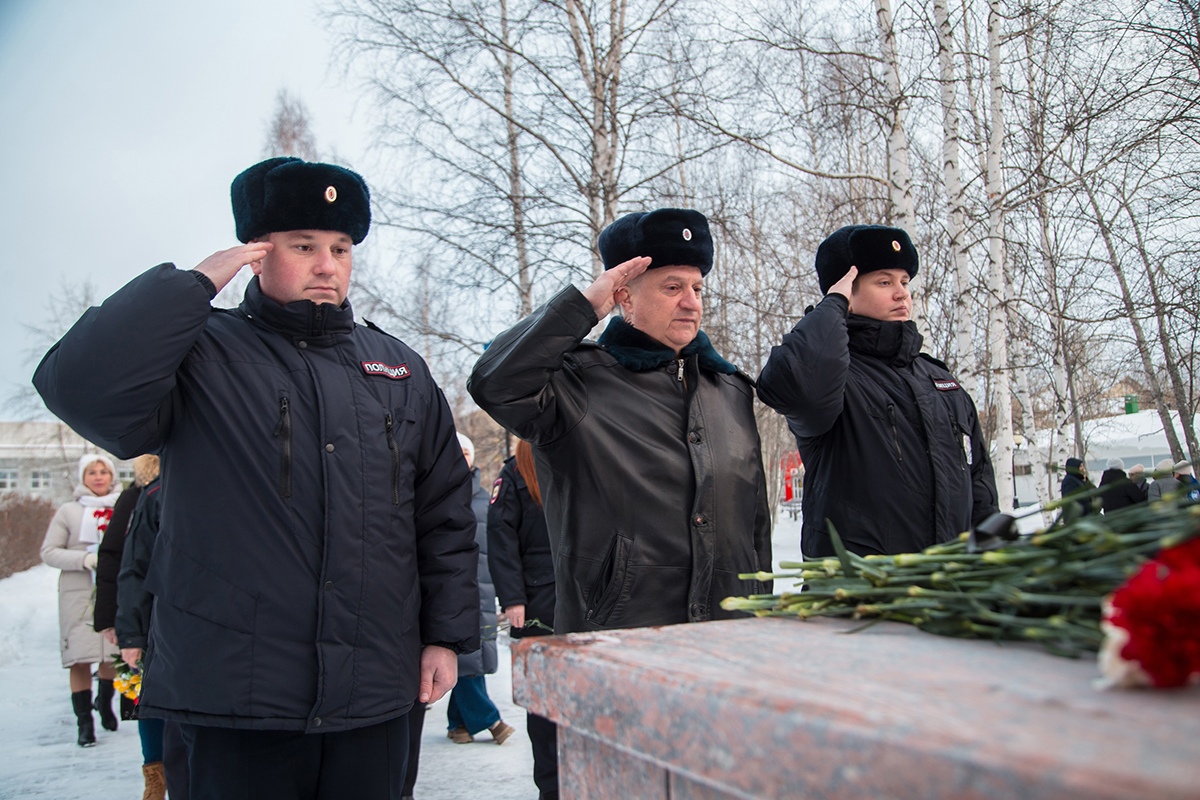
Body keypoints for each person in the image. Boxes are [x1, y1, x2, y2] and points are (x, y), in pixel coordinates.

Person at [33, 156, 480, 799]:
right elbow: (77, 386)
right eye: (304, 246)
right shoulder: (199, 352)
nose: (327, 265)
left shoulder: (399, 370)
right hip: (234, 698)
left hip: (375, 694)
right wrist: (190, 287)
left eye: (341, 248)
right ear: (257, 253)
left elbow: (444, 518)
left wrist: (444, 636)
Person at [469, 207, 772, 639]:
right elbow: (494, 383)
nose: (691, 302)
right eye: (672, 287)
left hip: (730, 638)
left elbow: (754, 525)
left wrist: (761, 613)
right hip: (617, 640)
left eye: (697, 288)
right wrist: (583, 308)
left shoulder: (730, 390)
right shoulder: (574, 383)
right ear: (624, 297)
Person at [757, 225, 999, 558]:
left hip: (949, 584)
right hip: (858, 586)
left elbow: (979, 486)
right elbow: (792, 386)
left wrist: (991, 563)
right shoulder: (834, 378)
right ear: (846, 294)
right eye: (884, 282)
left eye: (904, 282)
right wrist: (833, 304)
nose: (902, 294)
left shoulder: (943, 383)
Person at [487, 438, 558, 799]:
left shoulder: (574, 459)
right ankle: (551, 787)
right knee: (542, 706)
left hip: (582, 602)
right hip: (535, 605)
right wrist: (513, 598)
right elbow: (501, 539)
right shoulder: (514, 473)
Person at [40, 453, 123, 747]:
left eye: (103, 471)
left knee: (111, 653)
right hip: (78, 595)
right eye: (92, 472)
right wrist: (85, 559)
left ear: (112, 476)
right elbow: (49, 552)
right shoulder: (69, 511)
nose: (98, 477)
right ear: (83, 477)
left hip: (114, 591)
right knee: (80, 656)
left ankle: (105, 701)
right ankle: (84, 723)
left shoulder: (123, 507)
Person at [445, 434, 514, 745]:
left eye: (467, 451)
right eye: (457, 451)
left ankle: (457, 724)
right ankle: (490, 719)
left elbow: (498, 547)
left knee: (473, 659)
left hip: (482, 591)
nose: (463, 456)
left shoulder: (487, 499)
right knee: (465, 658)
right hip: (450, 590)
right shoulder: (438, 494)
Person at [94, 453, 159, 722]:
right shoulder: (139, 496)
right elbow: (116, 556)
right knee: (149, 704)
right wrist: (110, 617)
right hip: (147, 616)